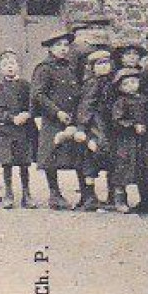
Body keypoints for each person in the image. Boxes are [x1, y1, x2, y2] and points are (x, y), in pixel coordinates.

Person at [32, 31, 85, 209]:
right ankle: (54, 195)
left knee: (78, 154)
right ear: (50, 48)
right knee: (51, 157)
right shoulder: (44, 68)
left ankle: (85, 194)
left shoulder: (70, 67)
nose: (63, 49)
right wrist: (56, 112)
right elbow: (39, 94)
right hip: (53, 118)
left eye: (65, 45)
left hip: (71, 117)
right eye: (58, 45)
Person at [109, 67, 148, 213]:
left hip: (143, 141)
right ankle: (120, 200)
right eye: (126, 84)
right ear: (120, 87)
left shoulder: (144, 99)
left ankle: (146, 200)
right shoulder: (120, 102)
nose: (130, 86)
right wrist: (132, 125)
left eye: (133, 82)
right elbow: (116, 120)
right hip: (126, 141)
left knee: (145, 169)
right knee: (123, 170)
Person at [0, 50, 34, 209]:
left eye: (13, 64)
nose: (10, 67)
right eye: (5, 65)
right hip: (6, 132)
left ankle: (26, 194)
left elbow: (32, 103)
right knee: (7, 164)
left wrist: (27, 114)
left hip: (23, 131)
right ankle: (9, 193)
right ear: (1, 69)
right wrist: (11, 118)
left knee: (24, 164)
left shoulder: (25, 85)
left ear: (18, 66)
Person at [74, 48, 115, 211]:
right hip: (96, 125)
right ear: (92, 67)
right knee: (91, 158)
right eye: (99, 64)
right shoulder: (92, 83)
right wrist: (83, 128)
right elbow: (86, 107)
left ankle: (113, 195)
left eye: (106, 63)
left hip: (111, 124)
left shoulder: (113, 82)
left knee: (112, 159)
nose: (104, 67)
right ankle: (90, 196)